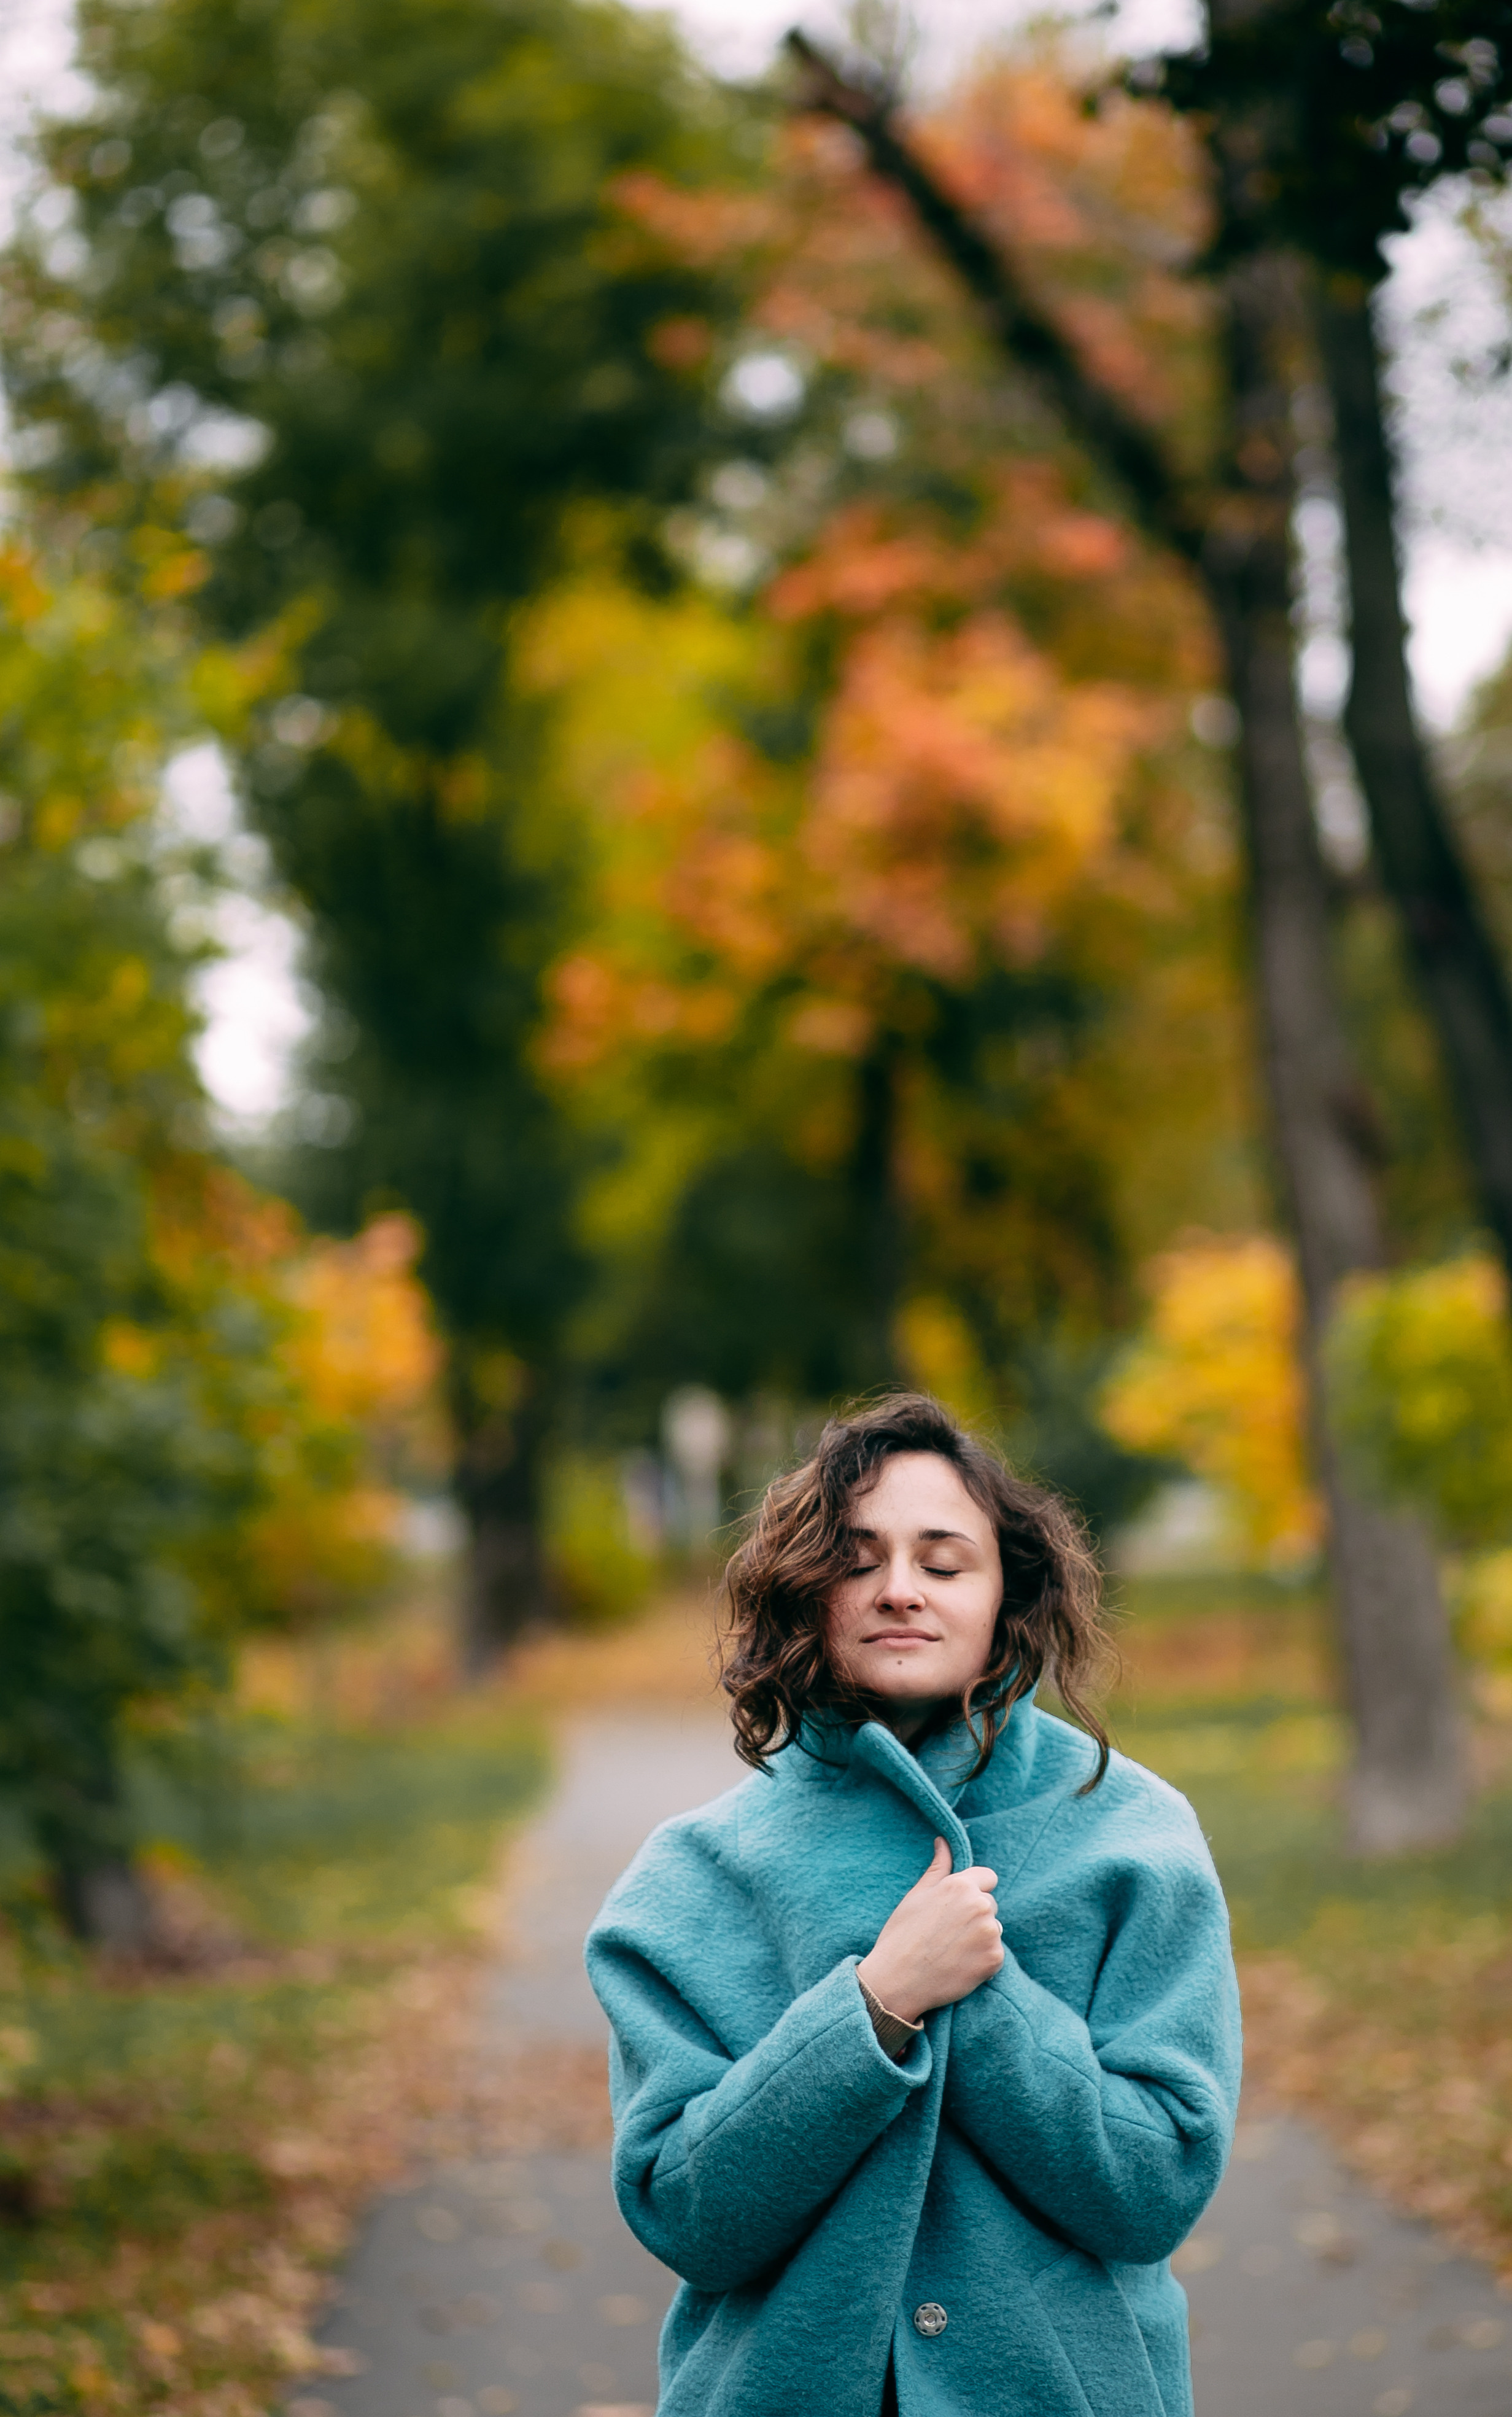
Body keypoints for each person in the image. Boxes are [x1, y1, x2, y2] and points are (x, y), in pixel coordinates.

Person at [586, 1392, 1241, 2417]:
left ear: (1003, 1596)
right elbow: (685, 2213)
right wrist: (876, 2006)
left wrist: (984, 1999)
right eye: (857, 1560)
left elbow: (1154, 2186)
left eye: (943, 1563)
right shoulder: (690, 1877)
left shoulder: (1131, 1836)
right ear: (807, 1594)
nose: (900, 1590)